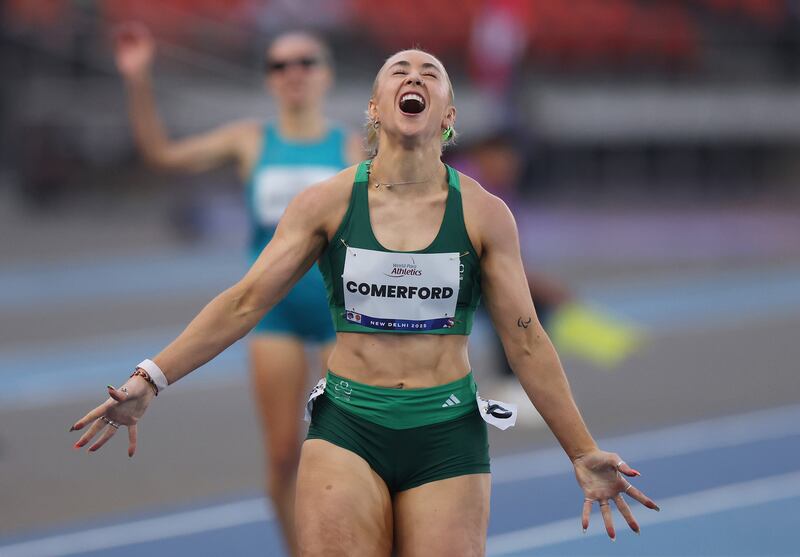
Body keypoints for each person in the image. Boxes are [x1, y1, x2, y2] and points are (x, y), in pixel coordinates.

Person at [71, 49, 659, 556]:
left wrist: (581, 451)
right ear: (375, 109)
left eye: (431, 73)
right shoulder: (325, 202)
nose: (415, 77)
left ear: (448, 115)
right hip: (348, 427)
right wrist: (152, 377)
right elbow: (245, 301)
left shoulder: (483, 215)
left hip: (447, 432)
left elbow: (526, 338)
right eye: (398, 71)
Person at [112, 25, 362, 555]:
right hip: (269, 313)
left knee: (346, 450)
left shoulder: (352, 146)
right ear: (270, 80)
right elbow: (160, 154)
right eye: (280, 65)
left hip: (338, 313)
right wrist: (138, 80)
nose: (294, 72)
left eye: (306, 61)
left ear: (326, 74)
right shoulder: (250, 140)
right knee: (281, 456)